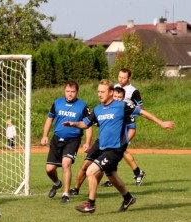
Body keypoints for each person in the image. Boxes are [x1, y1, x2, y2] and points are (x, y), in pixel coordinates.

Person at [63, 79, 174, 214]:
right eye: (98, 91)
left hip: (115, 148)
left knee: (91, 171)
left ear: (111, 92)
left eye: (102, 91)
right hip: (103, 148)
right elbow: (85, 124)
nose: (99, 94)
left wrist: (161, 123)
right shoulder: (97, 109)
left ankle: (91, 204)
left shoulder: (121, 106)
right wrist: (73, 124)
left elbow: (142, 112)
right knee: (112, 176)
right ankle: (128, 198)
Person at [70, 87, 142, 195]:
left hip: (115, 145)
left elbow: (132, 128)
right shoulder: (101, 108)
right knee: (89, 166)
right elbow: (92, 122)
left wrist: (125, 141)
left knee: (96, 169)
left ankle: (91, 198)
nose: (117, 98)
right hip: (101, 142)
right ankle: (76, 189)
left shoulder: (124, 109)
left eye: (120, 97)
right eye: (116, 96)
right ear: (112, 95)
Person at [40, 80, 92, 203]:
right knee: (49, 169)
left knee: (66, 163)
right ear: (64, 91)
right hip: (57, 139)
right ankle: (57, 183)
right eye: (68, 91)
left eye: (72, 92)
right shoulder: (57, 103)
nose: (70, 94)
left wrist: (87, 142)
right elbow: (49, 119)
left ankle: (66, 193)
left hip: (73, 140)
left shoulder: (82, 106)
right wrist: (44, 135)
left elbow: (88, 125)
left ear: (77, 92)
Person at [114, 68, 146, 185]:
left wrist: (129, 113)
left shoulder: (133, 91)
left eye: (123, 77)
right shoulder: (116, 86)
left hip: (126, 124)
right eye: (119, 76)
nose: (120, 79)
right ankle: (111, 177)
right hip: (116, 123)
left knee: (120, 149)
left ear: (129, 78)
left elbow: (140, 107)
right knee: (115, 149)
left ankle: (138, 172)